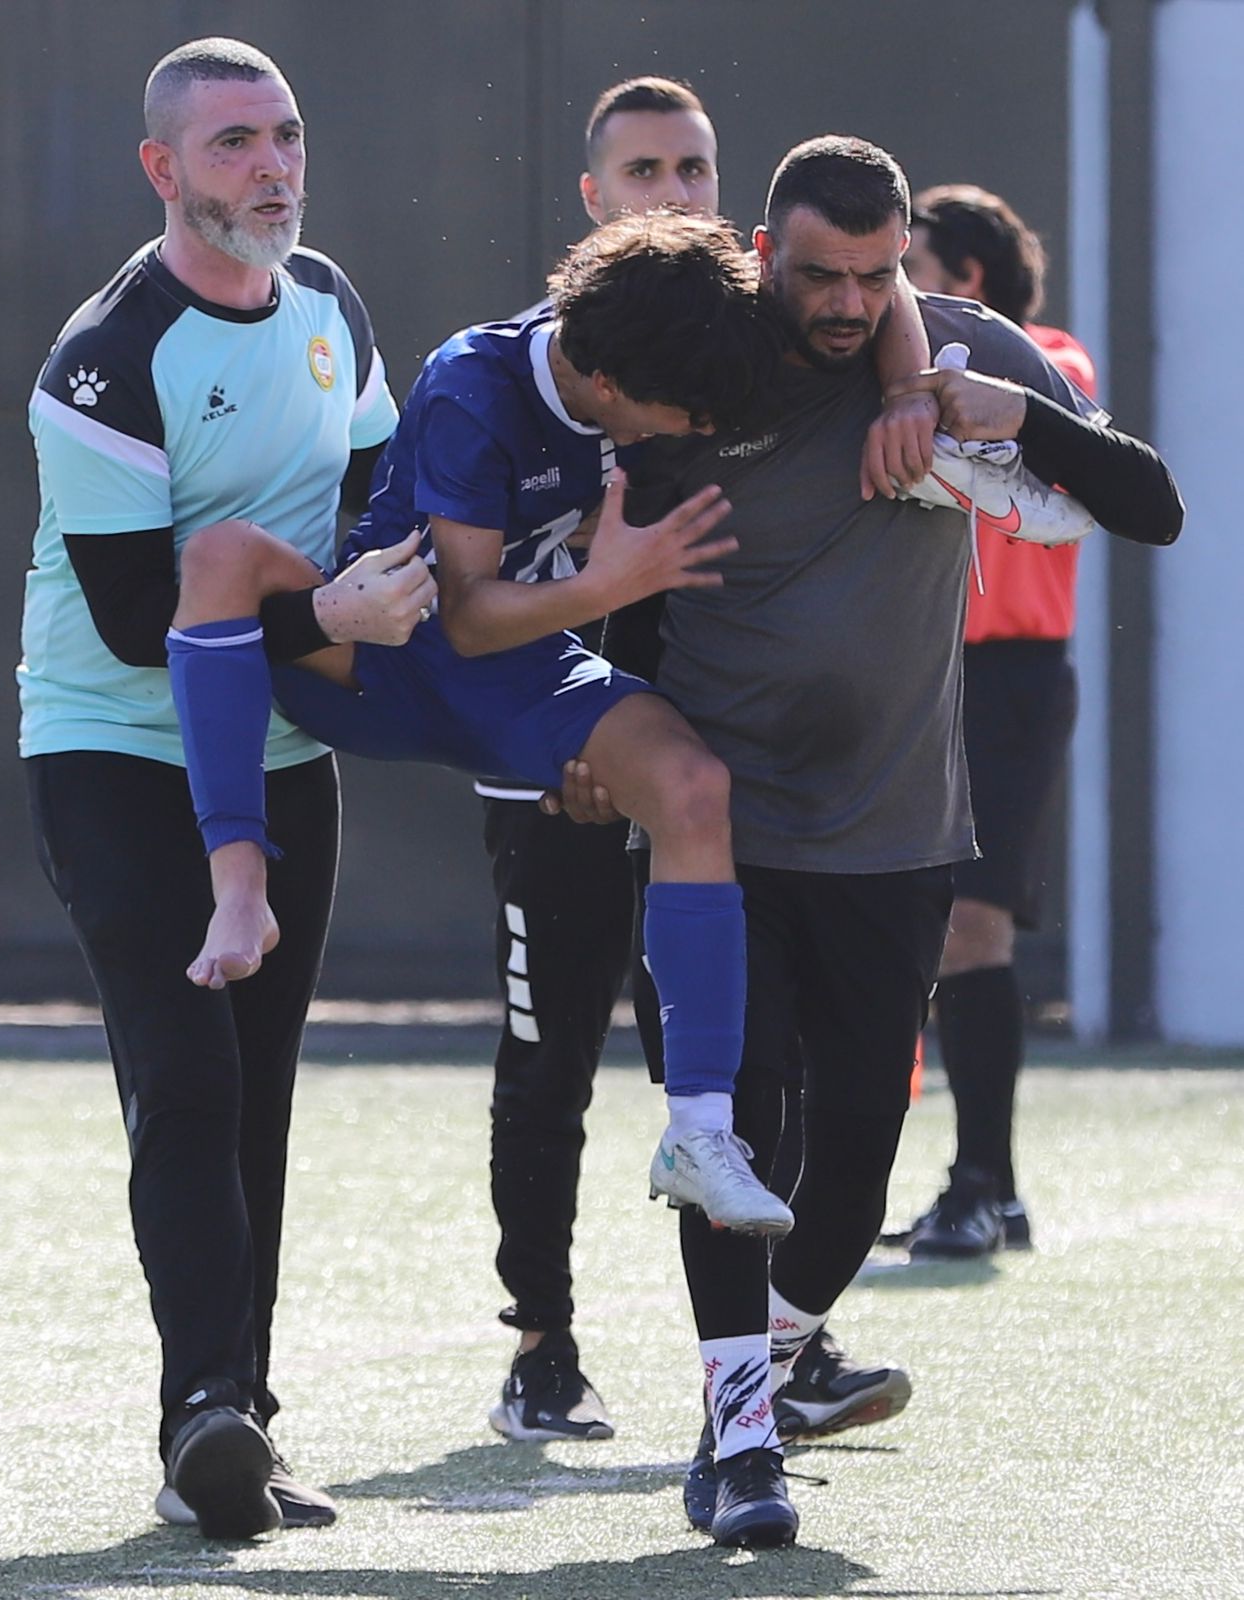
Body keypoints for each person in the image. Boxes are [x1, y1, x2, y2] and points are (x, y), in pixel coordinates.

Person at [589, 136, 1181, 1547]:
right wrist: (597, 740)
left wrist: (1011, 417)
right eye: (818, 274)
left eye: (874, 276)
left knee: (855, 1155)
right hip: (716, 834)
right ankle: (742, 1442)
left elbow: (1152, 508)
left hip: (896, 833)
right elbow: (621, 569)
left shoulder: (962, 351)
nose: (848, 304)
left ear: (906, 260)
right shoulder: (703, 353)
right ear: (762, 254)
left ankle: (771, 1371)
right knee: (734, 1135)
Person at [164, 215, 800, 1260]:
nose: (693, 428)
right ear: (605, 383)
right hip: (383, 653)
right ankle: (239, 884)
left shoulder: (662, 342)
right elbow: (461, 617)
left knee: (693, 788)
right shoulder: (478, 382)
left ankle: (698, 1130)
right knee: (222, 556)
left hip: (519, 674)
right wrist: (611, 582)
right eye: (680, 416)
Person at [480, 76, 924, 1449]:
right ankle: (542, 1349)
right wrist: (567, 722)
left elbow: (892, 295)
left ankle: (777, 1352)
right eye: (643, 172)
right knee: (549, 1058)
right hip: (564, 751)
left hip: (701, 784)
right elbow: (494, 574)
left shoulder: (756, 326)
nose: (670, 192)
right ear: (591, 201)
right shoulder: (540, 358)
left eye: (692, 171)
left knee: (732, 1086)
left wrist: (912, 384)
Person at [19, 37, 407, 1539]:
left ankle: (243, 1416)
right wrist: (331, 615)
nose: (272, 166)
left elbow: (378, 501)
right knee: (183, 1077)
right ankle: (200, 1418)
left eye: (285, 134)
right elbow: (137, 622)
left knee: (256, 1088)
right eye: (234, 142)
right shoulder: (105, 359)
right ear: (161, 168)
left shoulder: (332, 307)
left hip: (280, 751)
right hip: (112, 750)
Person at [883, 184, 1098, 1257]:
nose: (892, 291)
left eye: (911, 267)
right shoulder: (894, 373)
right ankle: (982, 1190)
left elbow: (1061, 433)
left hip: (1007, 676)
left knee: (973, 924)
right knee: (909, 926)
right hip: (914, 670)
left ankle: (981, 1184)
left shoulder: (1048, 359)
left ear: (966, 280)